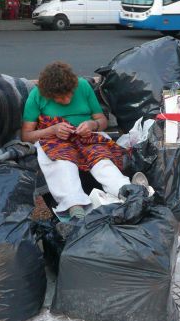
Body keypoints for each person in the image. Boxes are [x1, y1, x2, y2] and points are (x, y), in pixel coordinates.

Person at [21, 61, 138, 220]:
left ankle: (127, 191)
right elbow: (26, 135)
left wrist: (92, 124)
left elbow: (101, 121)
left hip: (86, 137)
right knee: (62, 163)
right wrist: (52, 130)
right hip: (55, 140)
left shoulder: (82, 86)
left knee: (101, 159)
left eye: (70, 93)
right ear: (49, 94)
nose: (67, 99)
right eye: (60, 98)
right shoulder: (37, 95)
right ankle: (74, 206)